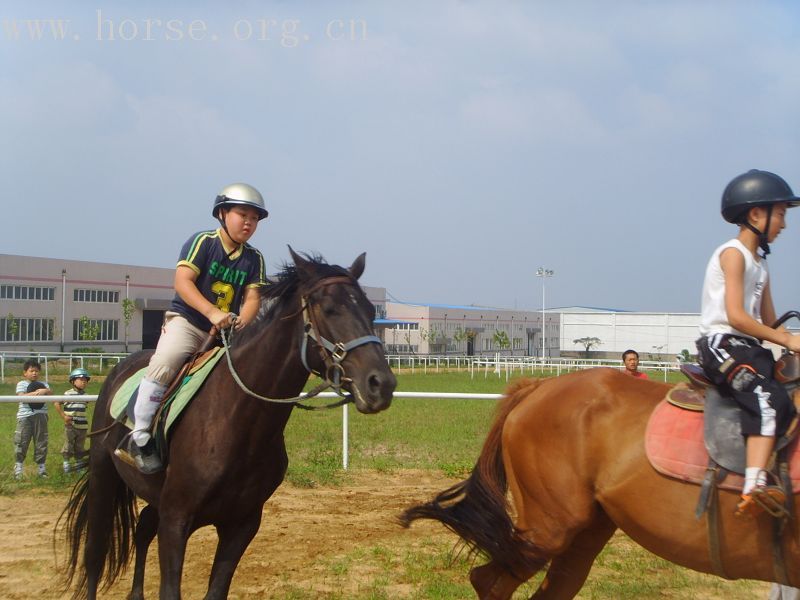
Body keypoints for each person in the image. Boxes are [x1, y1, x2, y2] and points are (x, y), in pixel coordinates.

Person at [116, 183, 268, 474]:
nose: (249, 222)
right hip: (188, 322)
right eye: (242, 214)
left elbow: (252, 298)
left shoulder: (254, 258)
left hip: (227, 330)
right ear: (222, 213)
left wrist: (242, 321)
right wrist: (212, 312)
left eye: (254, 218)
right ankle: (141, 436)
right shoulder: (203, 242)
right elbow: (183, 282)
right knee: (165, 362)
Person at [696, 169, 800, 517]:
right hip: (722, 344)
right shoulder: (733, 253)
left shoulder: (761, 263)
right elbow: (739, 317)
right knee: (767, 399)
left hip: (749, 348)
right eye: (781, 213)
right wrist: (784, 338)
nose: (783, 224)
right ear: (756, 214)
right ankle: (754, 486)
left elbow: (769, 322)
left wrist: (790, 339)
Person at [14, 359, 52, 479]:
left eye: (36, 371)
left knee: (41, 442)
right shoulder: (21, 384)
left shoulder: (44, 385)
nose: (34, 373)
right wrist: (36, 393)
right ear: (25, 373)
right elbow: (21, 397)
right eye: (31, 371)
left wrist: (45, 391)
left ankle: (41, 469)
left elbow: (52, 395)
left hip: (41, 416)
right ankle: (18, 468)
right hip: (25, 417)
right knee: (21, 441)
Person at [54, 368, 91, 474]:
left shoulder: (86, 396)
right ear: (73, 381)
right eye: (80, 379)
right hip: (71, 425)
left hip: (83, 426)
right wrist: (64, 416)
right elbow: (56, 403)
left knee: (80, 446)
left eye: (85, 380)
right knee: (68, 445)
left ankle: (79, 466)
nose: (83, 382)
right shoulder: (68, 394)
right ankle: (66, 465)